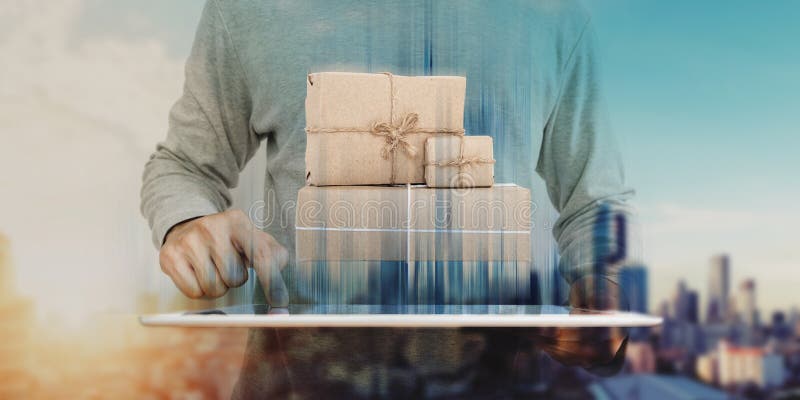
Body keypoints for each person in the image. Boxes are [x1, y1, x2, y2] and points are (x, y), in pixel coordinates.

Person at [141, 1, 635, 398]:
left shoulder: (554, 16)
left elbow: (596, 198)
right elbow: (182, 165)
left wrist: (603, 287)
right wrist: (187, 221)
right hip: (295, 383)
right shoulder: (249, 9)